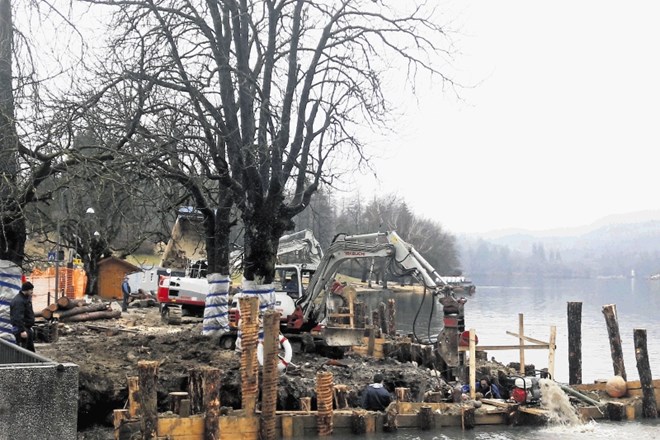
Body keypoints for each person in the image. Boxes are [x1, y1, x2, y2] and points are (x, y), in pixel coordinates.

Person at [10, 281, 36, 352]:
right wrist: (22, 331)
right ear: (26, 290)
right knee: (23, 351)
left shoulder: (25, 298)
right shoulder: (19, 301)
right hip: (21, 330)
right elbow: (17, 317)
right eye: (31, 290)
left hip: (26, 328)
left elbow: (28, 313)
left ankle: (31, 362)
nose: (32, 292)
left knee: (30, 350)